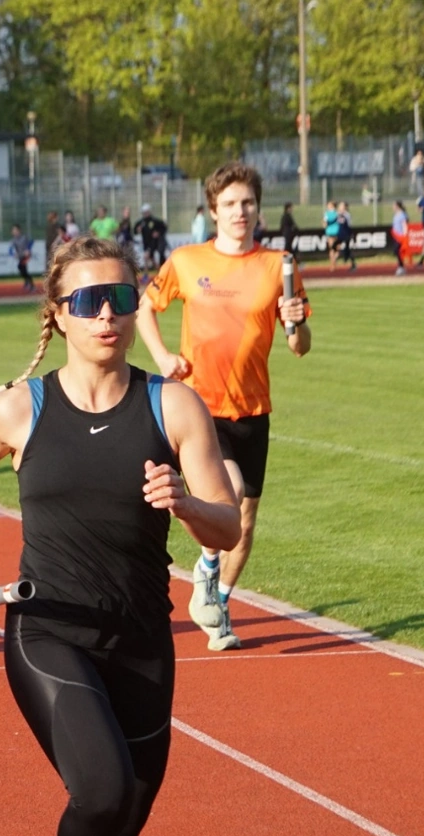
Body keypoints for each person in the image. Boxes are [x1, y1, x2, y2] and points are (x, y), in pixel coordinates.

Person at [0, 238, 240, 836]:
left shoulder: (173, 406)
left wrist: (185, 504)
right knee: (100, 789)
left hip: (142, 640)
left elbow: (228, 523)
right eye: (90, 301)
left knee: (129, 803)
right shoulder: (21, 408)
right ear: (60, 314)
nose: (108, 315)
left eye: (122, 298)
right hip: (50, 631)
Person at [138, 162, 312, 651]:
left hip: (254, 410)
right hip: (201, 406)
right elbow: (146, 307)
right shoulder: (187, 260)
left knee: (245, 520)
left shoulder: (279, 266)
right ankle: (207, 568)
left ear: (259, 208)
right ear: (214, 210)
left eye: (249, 203)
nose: (241, 212)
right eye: (231, 204)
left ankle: (218, 599)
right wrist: (162, 356)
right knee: (228, 492)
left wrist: (295, 321)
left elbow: (299, 346)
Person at [134, 205, 168, 271]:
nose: (145, 214)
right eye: (144, 212)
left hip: (155, 242)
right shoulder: (141, 222)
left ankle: (147, 272)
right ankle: (158, 270)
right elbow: (135, 230)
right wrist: (137, 230)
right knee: (150, 258)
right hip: (146, 243)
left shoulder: (155, 221)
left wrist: (158, 233)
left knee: (147, 256)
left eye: (146, 212)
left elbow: (164, 228)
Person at [10, 224, 33, 292]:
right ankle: (27, 282)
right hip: (20, 256)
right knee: (22, 269)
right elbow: (10, 249)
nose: (14, 232)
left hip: (26, 256)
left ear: (19, 231)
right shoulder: (13, 240)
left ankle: (31, 285)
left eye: (15, 230)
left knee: (21, 267)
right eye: (13, 231)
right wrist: (13, 254)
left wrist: (28, 250)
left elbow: (31, 242)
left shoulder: (24, 237)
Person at [336, 201, 357, 270]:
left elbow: (349, 225)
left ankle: (352, 263)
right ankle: (345, 259)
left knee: (347, 249)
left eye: (341, 206)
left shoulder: (347, 215)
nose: (340, 207)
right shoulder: (338, 214)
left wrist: (351, 234)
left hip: (346, 234)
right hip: (340, 234)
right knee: (337, 247)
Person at [392, 200, 410, 275]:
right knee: (396, 251)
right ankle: (401, 266)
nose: (393, 207)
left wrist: (405, 235)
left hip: (401, 236)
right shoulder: (396, 215)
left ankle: (401, 267)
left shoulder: (402, 215)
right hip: (396, 236)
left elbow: (404, 225)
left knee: (398, 251)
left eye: (394, 205)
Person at [323, 201, 340, 270]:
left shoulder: (327, 214)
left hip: (330, 232)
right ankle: (334, 263)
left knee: (332, 249)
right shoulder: (337, 213)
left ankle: (332, 264)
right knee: (336, 249)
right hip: (336, 232)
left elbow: (324, 224)